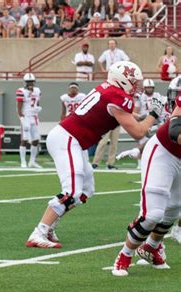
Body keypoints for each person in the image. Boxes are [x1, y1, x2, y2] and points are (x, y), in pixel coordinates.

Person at [26, 61, 165, 248]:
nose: (137, 86)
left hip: (74, 141)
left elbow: (124, 116)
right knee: (72, 191)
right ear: (122, 80)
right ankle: (39, 232)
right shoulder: (117, 96)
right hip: (67, 139)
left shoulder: (110, 91)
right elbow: (138, 132)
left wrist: (148, 118)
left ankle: (49, 226)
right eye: (134, 81)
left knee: (85, 191)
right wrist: (154, 114)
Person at [112, 78, 181, 276]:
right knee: (152, 215)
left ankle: (151, 247)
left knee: (174, 209)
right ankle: (125, 255)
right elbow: (174, 129)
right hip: (164, 151)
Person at [116, 79, 165, 168]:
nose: (149, 89)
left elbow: (162, 110)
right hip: (145, 121)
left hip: (157, 122)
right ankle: (140, 164)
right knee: (143, 143)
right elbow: (135, 111)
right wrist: (140, 118)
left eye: (151, 87)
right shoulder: (140, 97)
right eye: (148, 87)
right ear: (144, 88)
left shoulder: (158, 96)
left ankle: (153, 164)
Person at [16, 73, 43, 169]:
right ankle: (23, 161)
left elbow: (37, 103)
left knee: (36, 139)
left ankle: (32, 161)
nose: (30, 83)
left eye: (32, 81)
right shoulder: (21, 91)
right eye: (28, 82)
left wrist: (37, 108)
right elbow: (19, 109)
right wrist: (22, 119)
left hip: (34, 117)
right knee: (24, 139)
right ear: (25, 82)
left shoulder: (37, 90)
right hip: (26, 116)